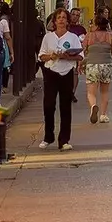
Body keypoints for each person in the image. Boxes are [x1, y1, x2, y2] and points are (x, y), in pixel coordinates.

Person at [37, 8, 84, 150]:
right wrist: (51, 56)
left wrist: (68, 56)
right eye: (59, 17)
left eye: (64, 17)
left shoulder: (72, 37)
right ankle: (48, 136)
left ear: (67, 21)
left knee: (65, 106)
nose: (62, 20)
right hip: (51, 72)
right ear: (54, 21)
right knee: (49, 105)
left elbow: (80, 56)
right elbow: (41, 56)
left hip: (67, 72)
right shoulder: (48, 37)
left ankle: (64, 140)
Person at [80, 13, 112, 123]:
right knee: (104, 92)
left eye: (92, 23)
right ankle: (103, 115)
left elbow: (82, 49)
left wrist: (80, 63)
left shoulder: (89, 35)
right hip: (106, 65)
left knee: (91, 92)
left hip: (92, 65)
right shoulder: (110, 36)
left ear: (97, 25)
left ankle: (93, 106)